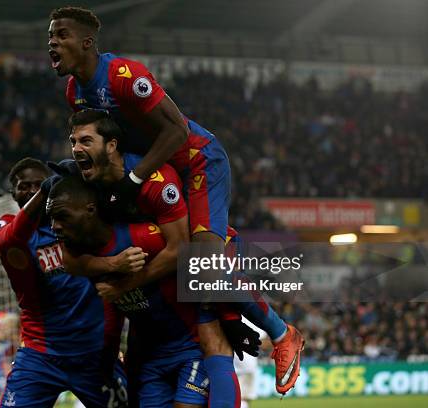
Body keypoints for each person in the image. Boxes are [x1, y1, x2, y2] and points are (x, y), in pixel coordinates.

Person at [48, 7, 304, 395]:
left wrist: (133, 180)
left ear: (87, 42)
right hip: (159, 178)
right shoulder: (74, 93)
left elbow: (177, 132)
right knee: (200, 291)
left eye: (61, 34)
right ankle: (231, 316)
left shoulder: (123, 76)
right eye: (50, 35)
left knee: (201, 271)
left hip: (198, 163)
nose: (52, 42)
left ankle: (282, 334)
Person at [48, 175, 246, 407]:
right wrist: (107, 358)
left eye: (62, 217)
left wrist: (230, 316)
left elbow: (225, 239)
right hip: (151, 359)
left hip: (191, 347)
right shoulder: (85, 261)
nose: (54, 227)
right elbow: (112, 309)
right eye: (51, 219)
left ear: (90, 210)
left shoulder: (143, 236)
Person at [0, 158, 126, 407]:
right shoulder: (6, 226)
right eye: (23, 185)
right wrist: (45, 190)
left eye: (38, 184)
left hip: (94, 354)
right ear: (13, 193)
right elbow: (8, 240)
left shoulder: (81, 223)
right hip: (40, 355)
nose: (30, 189)